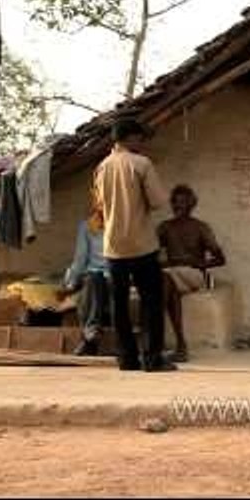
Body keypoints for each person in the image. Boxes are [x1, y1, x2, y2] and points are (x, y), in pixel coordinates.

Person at [93, 118, 175, 372]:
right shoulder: (141, 163)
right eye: (139, 138)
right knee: (151, 302)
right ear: (129, 138)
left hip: (113, 247)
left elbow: (98, 206)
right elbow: (158, 201)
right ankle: (152, 359)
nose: (141, 142)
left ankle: (126, 359)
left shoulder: (101, 167)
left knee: (119, 306)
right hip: (142, 244)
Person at [157, 184, 226, 362]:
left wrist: (199, 263)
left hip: (193, 275)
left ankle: (156, 343)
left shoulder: (201, 227)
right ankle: (181, 345)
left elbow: (220, 259)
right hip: (172, 274)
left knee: (164, 281)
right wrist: (164, 262)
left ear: (191, 205)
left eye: (182, 203)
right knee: (168, 286)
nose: (177, 206)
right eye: (175, 202)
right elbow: (152, 255)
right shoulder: (164, 227)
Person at [57, 191, 111, 356]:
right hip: (90, 275)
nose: (103, 207)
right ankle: (91, 331)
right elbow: (80, 260)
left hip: (113, 275)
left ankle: (88, 338)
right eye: (100, 203)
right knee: (92, 280)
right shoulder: (87, 226)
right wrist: (71, 283)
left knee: (97, 283)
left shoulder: (120, 225)